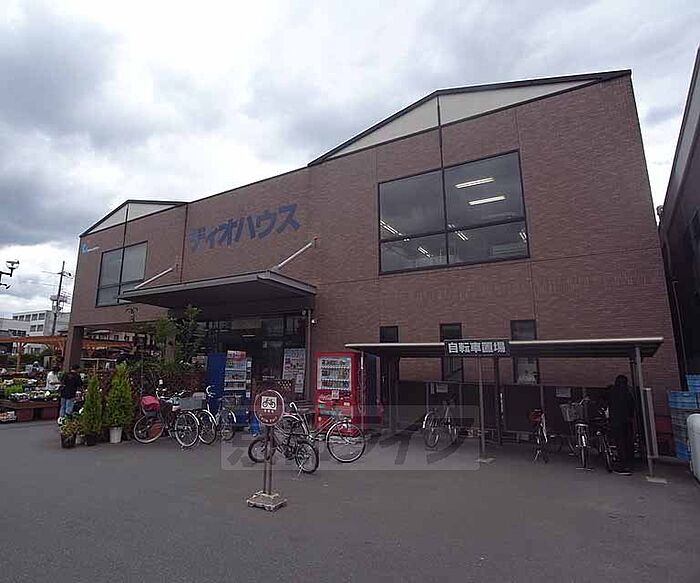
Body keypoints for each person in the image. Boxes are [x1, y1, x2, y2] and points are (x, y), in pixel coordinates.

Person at [609, 374, 636, 475]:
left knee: (620, 443)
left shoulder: (613, 391)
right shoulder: (628, 392)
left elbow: (606, 401)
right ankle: (630, 463)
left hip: (616, 421)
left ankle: (623, 466)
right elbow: (632, 405)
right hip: (627, 421)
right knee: (628, 441)